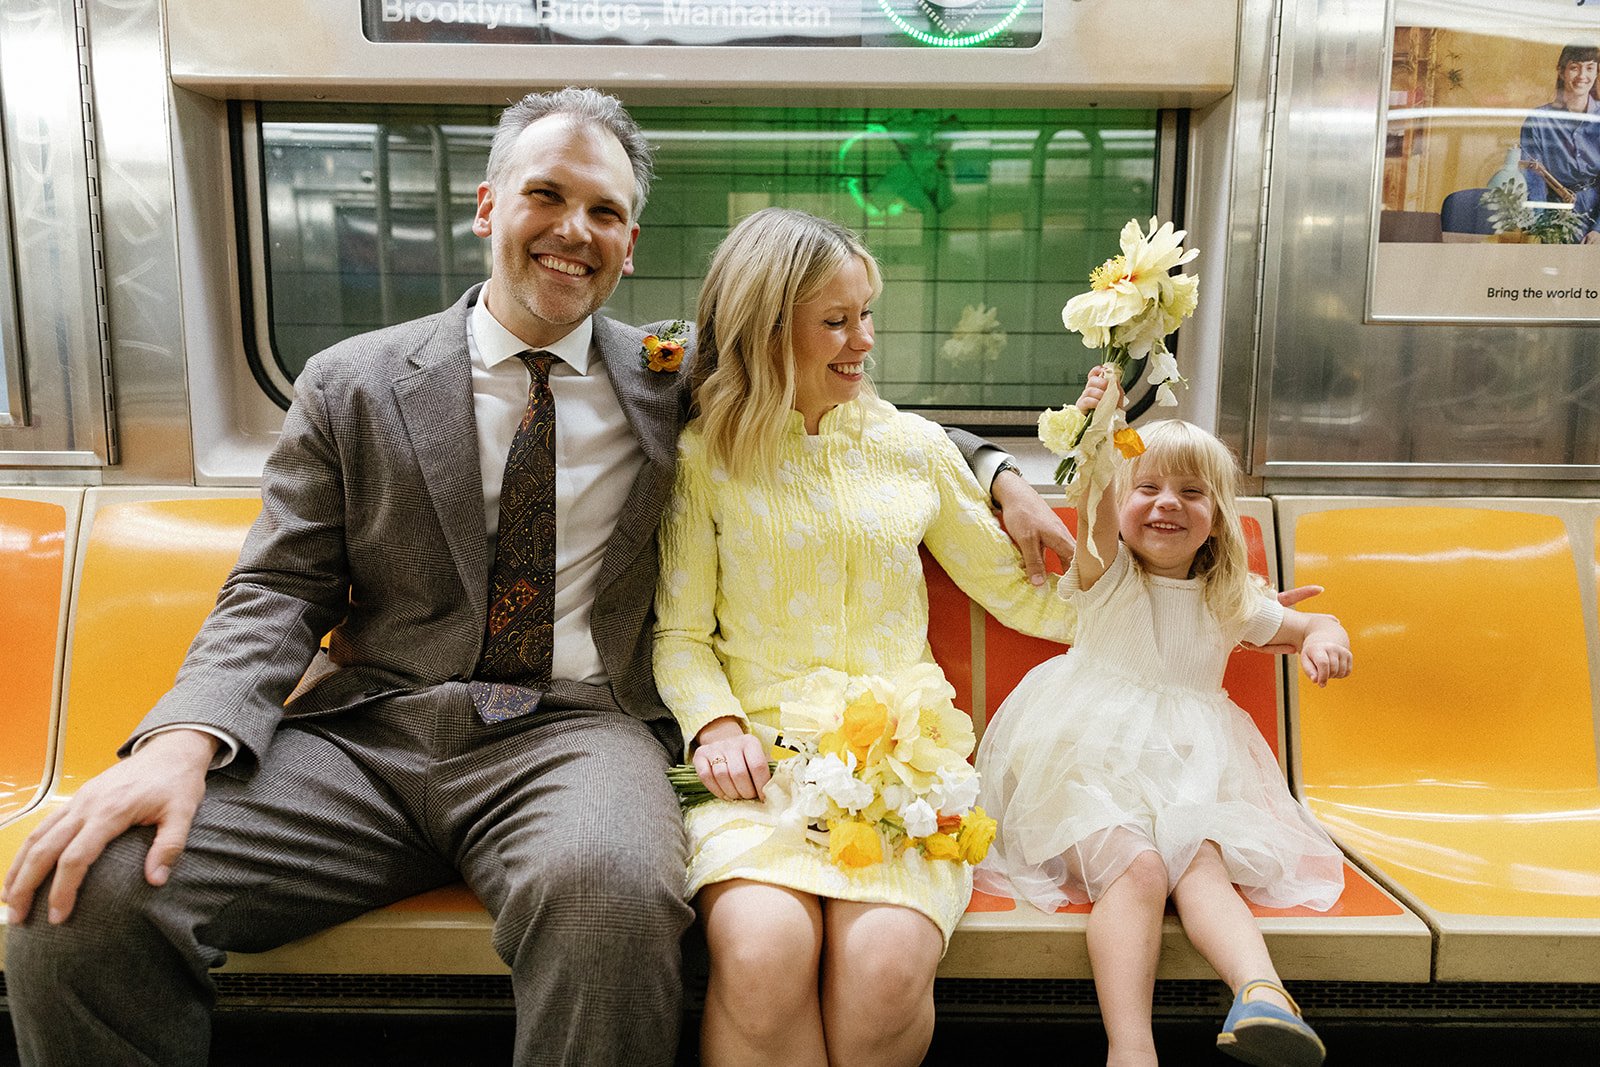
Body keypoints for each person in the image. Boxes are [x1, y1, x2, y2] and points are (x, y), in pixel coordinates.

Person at [1, 91, 1071, 1066]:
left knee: (613, 899)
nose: (575, 229)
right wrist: (183, 743)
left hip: (575, 729)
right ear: (488, 206)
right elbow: (278, 588)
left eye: (605, 211)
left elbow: (839, 402)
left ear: (629, 244)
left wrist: (996, 470)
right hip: (371, 735)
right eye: (547, 195)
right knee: (84, 892)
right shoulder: (351, 383)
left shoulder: (671, 375)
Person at [652, 207, 1076, 1067]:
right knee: (763, 953)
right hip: (759, 769)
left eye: (867, 315)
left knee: (885, 969)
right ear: (769, 330)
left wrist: (1218, 604)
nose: (865, 341)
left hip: (904, 769)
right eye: (837, 321)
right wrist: (716, 725)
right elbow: (682, 634)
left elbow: (1021, 594)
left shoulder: (913, 447)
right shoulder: (705, 456)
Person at [974, 365, 1352, 1067]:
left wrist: (1325, 639)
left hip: (1186, 772)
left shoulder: (1230, 598)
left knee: (1201, 862)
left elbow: (1312, 623)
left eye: (1191, 492)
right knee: (1141, 867)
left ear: (1217, 516)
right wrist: (1101, 429)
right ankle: (1132, 1047)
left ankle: (1264, 992)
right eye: (1146, 488)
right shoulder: (1106, 574)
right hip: (1083, 767)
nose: (1166, 504)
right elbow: (1094, 503)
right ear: (1123, 503)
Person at [1519, 42, 1600, 244]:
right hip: (1555, 212)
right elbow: (1534, 179)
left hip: (1596, 210)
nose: (1582, 76)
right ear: (1561, 72)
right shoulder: (1538, 120)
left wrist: (1598, 230)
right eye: (1574, 67)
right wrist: (1539, 229)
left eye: (1590, 68)